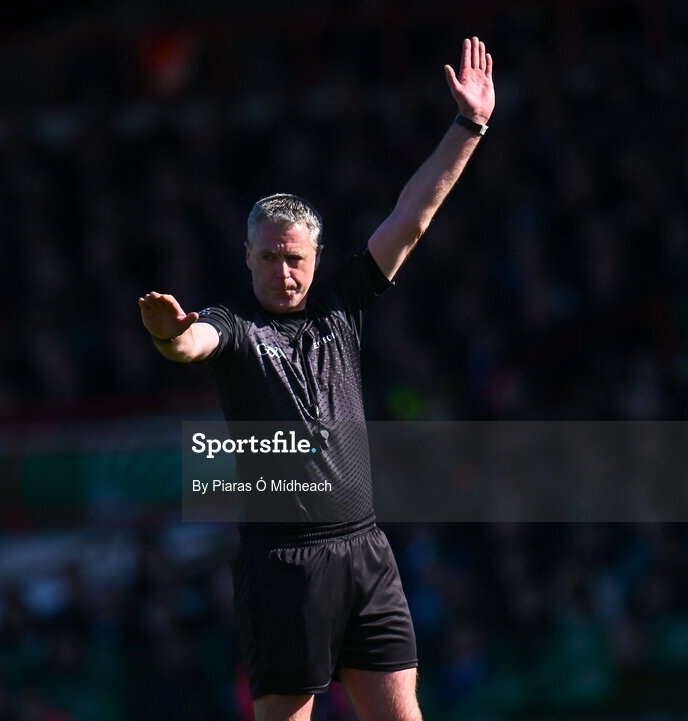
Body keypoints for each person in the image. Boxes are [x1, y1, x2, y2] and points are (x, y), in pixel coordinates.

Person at [139, 37, 495, 721]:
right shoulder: (236, 329)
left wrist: (469, 127)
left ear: (315, 257)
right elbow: (194, 342)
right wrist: (170, 333)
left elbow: (412, 217)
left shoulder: (341, 305)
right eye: (269, 257)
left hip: (365, 551)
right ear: (248, 258)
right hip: (284, 568)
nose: (284, 272)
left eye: (295, 258)